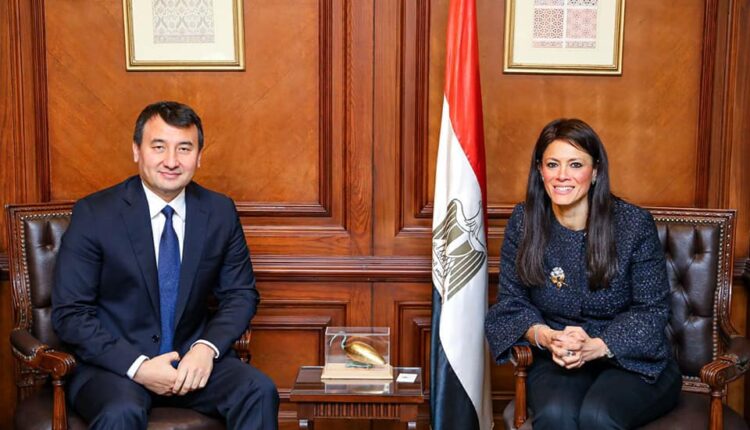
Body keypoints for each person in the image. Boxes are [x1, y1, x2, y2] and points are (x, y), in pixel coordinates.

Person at [52, 101, 279, 429]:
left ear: (199, 156)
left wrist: (206, 348)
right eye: (158, 147)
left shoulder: (219, 212)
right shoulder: (95, 213)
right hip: (115, 368)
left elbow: (240, 294)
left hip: (191, 362)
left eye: (184, 148)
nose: (171, 161)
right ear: (136, 150)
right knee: (121, 412)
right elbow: (70, 313)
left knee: (258, 391)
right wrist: (138, 367)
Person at [484, 118, 681, 429]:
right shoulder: (524, 220)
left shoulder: (633, 225)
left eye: (575, 164)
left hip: (631, 360)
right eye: (552, 164)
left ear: (596, 171)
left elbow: (652, 311)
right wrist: (547, 338)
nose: (562, 175)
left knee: (597, 416)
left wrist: (598, 346)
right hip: (559, 358)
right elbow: (511, 304)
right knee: (556, 415)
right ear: (540, 170)